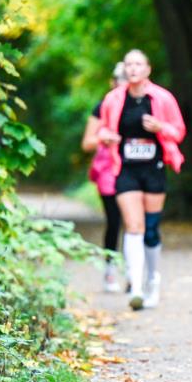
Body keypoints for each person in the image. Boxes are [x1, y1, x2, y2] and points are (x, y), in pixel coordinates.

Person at [96, 49, 187, 311]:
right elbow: (102, 128)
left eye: (138, 64)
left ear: (148, 69)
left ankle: (152, 280)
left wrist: (160, 128)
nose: (133, 69)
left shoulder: (162, 98)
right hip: (125, 168)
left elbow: (179, 132)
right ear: (124, 70)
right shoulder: (113, 99)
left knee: (150, 228)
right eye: (129, 65)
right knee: (133, 225)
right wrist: (107, 136)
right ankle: (135, 286)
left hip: (155, 167)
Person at [82, 62, 126, 293]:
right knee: (114, 221)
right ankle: (110, 270)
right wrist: (104, 137)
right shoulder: (102, 107)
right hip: (108, 169)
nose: (123, 83)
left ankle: (132, 271)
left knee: (134, 222)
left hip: (133, 168)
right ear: (112, 82)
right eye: (119, 79)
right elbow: (87, 142)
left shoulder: (141, 104)